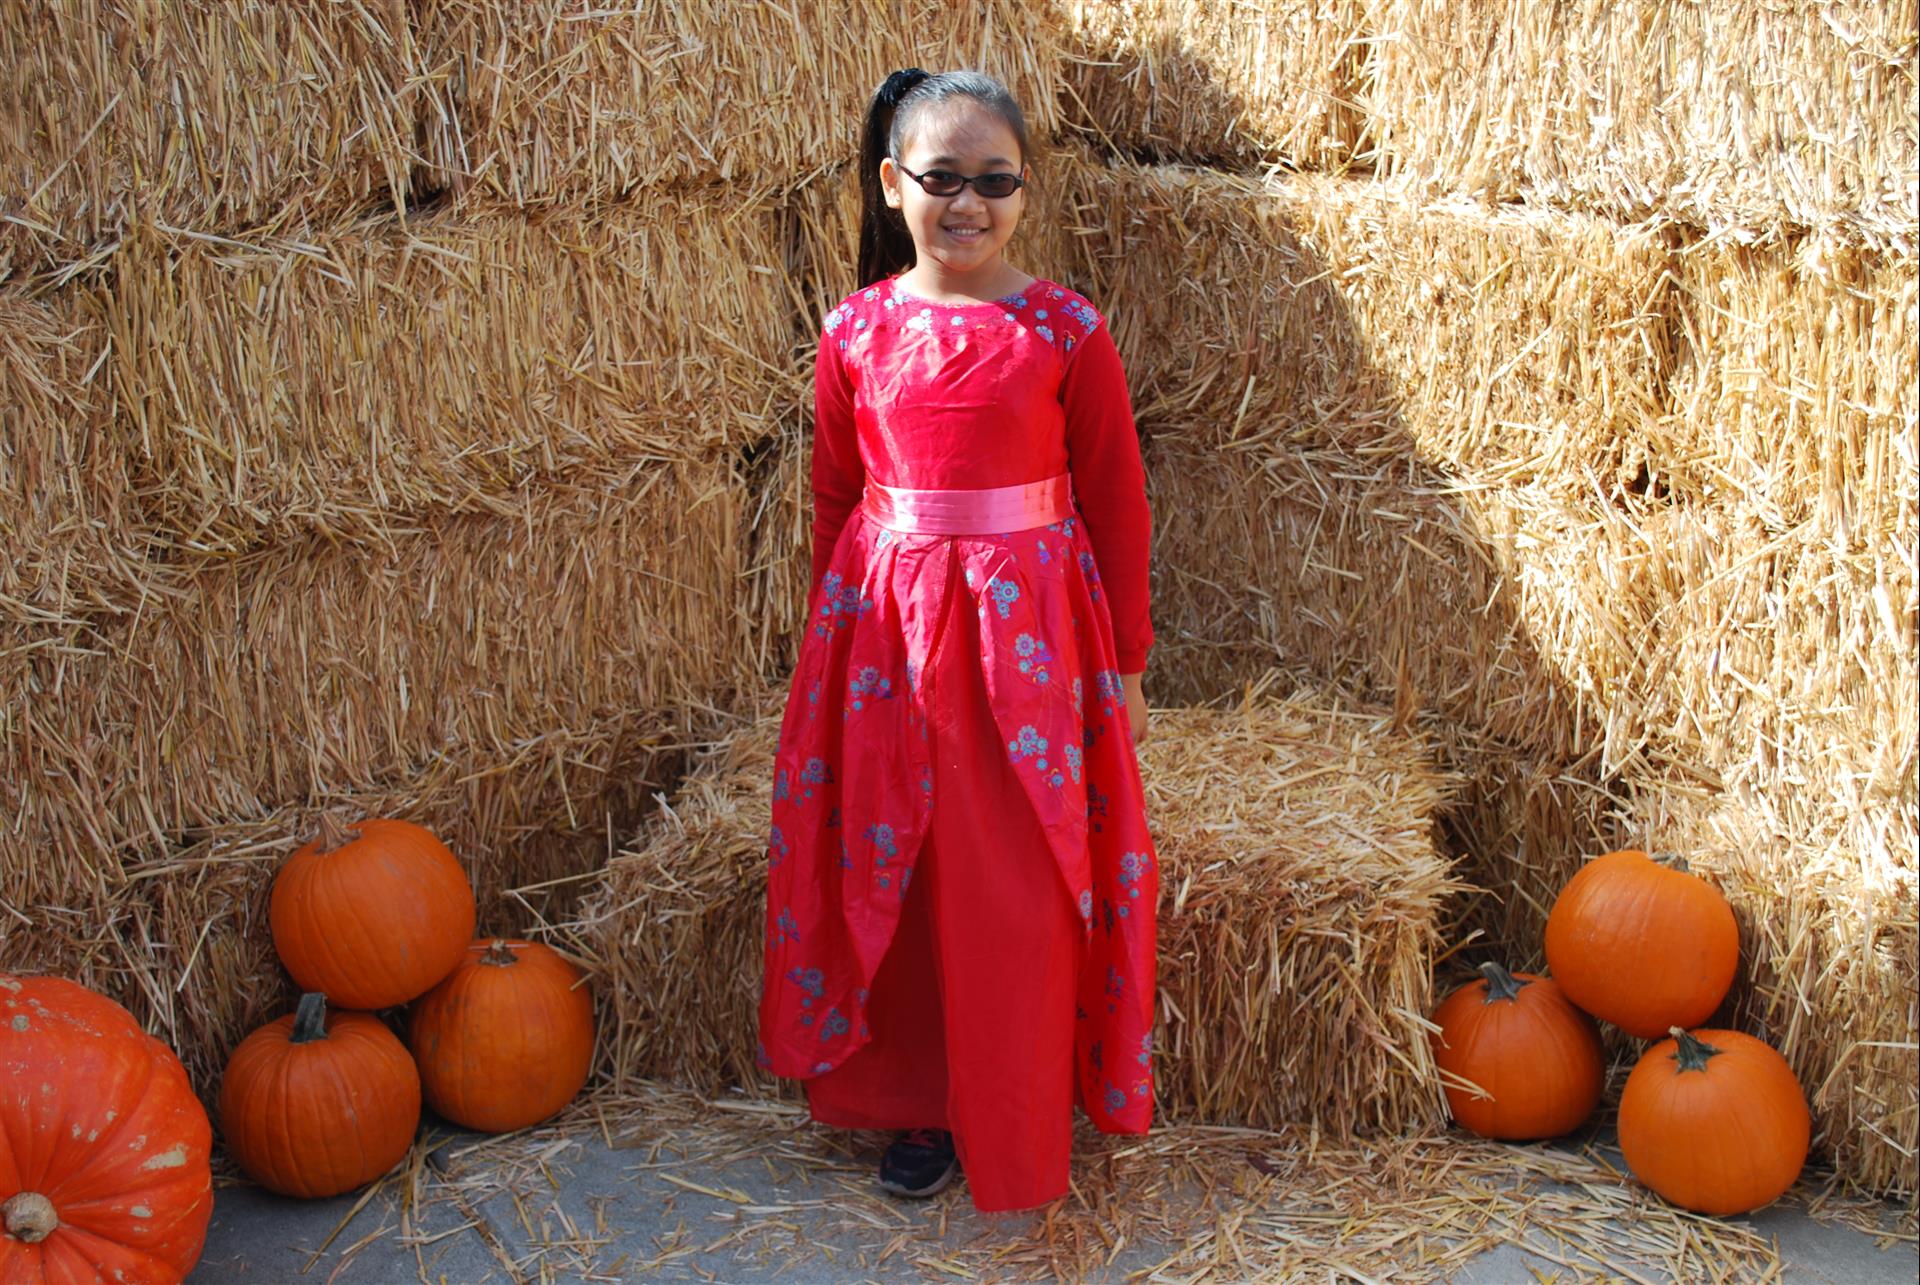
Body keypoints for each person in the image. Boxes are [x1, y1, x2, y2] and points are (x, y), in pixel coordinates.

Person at [758, 67, 1159, 1214]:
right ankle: (919, 1103)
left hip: (1027, 650)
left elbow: (1117, 504)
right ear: (894, 186)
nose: (968, 204)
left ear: (1026, 193)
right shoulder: (857, 330)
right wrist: (827, 655)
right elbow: (839, 502)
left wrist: (1124, 664)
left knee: (1015, 890)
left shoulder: (1066, 330)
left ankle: (1019, 1112)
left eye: (995, 182)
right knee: (903, 873)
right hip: (885, 640)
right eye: (942, 179)